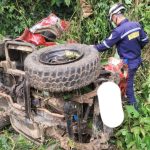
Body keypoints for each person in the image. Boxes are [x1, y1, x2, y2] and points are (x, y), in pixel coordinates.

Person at [93, 3, 149, 108]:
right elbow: (145, 40)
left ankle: (135, 110)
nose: (113, 21)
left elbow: (105, 45)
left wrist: (92, 48)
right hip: (137, 59)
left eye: (112, 19)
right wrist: (136, 48)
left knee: (128, 86)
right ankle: (125, 99)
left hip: (129, 63)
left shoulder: (118, 31)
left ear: (114, 16)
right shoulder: (136, 25)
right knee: (127, 81)